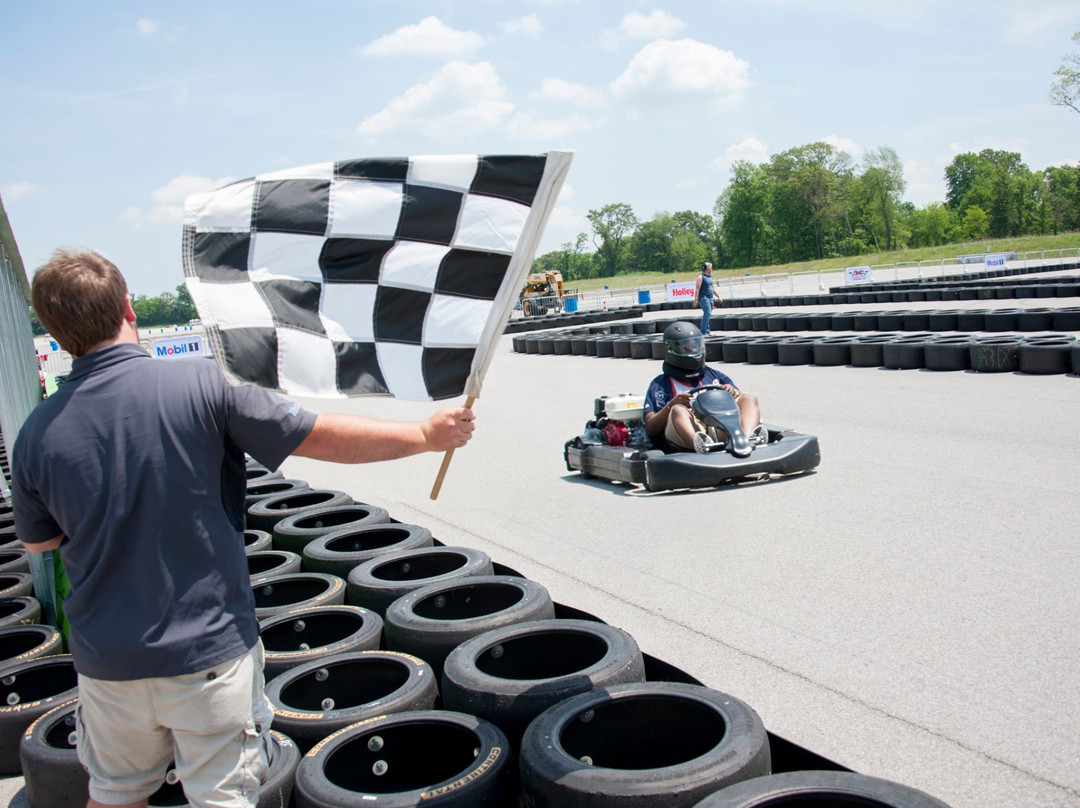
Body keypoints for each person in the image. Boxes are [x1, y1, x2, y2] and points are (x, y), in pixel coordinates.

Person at [11, 248, 475, 808]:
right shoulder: (205, 387)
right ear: (128, 308)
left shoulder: (36, 434)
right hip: (205, 653)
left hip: (107, 664)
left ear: (57, 336)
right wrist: (424, 436)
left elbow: (39, 543)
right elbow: (319, 436)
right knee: (221, 797)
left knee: (114, 794)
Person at [643, 321, 763, 453]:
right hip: (687, 433)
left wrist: (732, 392)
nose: (693, 350)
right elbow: (651, 427)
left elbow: (740, 401)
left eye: (696, 345)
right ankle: (703, 447)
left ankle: (745, 440)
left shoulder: (714, 375)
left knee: (749, 398)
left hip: (721, 425)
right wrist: (670, 405)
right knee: (678, 410)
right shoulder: (660, 385)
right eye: (687, 347)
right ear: (671, 349)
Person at [692, 261, 720, 335]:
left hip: (710, 297)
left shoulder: (710, 277)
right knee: (707, 313)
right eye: (711, 267)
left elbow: (712, 288)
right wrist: (696, 299)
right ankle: (703, 332)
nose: (712, 269)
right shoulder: (700, 277)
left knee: (708, 314)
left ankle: (707, 331)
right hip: (703, 298)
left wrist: (718, 296)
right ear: (708, 268)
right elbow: (697, 288)